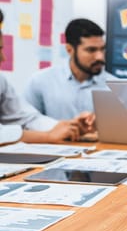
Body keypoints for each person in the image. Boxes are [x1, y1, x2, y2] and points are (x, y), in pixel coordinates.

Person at [0, 9, 95, 144]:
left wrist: (68, 127)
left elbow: (26, 118)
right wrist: (48, 137)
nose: (3, 58)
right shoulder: (40, 79)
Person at [24, 18, 115, 120]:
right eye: (91, 50)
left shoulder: (115, 86)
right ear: (69, 50)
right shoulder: (40, 81)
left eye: (102, 49)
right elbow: (27, 124)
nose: (100, 57)